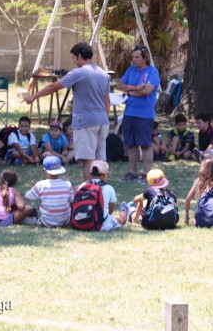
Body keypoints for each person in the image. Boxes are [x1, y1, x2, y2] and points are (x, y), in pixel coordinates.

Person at [24, 42, 110, 181]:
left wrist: (34, 96)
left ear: (80, 56)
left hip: (86, 122)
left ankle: (89, 193)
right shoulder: (103, 74)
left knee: (88, 160)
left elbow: (53, 87)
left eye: (74, 58)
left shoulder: (78, 72)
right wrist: (104, 119)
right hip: (102, 121)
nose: (74, 62)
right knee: (100, 160)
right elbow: (107, 100)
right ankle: (103, 192)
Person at [116, 45, 161, 182]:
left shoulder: (152, 72)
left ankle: (147, 174)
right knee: (131, 144)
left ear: (145, 58)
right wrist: (132, 87)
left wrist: (129, 92)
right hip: (129, 113)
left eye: (137, 57)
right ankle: (132, 172)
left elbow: (146, 91)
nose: (133, 60)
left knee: (145, 145)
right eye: (133, 57)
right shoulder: (131, 70)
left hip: (144, 115)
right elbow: (119, 85)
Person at [24, 156, 74, 228]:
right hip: (65, 221)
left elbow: (27, 196)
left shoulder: (41, 185)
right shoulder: (67, 184)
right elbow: (72, 200)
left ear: (45, 170)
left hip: (47, 222)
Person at [77, 160, 120, 231]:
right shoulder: (109, 188)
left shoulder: (82, 185)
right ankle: (124, 209)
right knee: (121, 221)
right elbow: (111, 210)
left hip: (82, 222)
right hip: (102, 225)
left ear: (90, 174)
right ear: (104, 174)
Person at [184, 156, 213, 225]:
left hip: (202, 219)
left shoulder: (198, 182)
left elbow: (187, 200)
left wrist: (186, 217)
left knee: (195, 221)